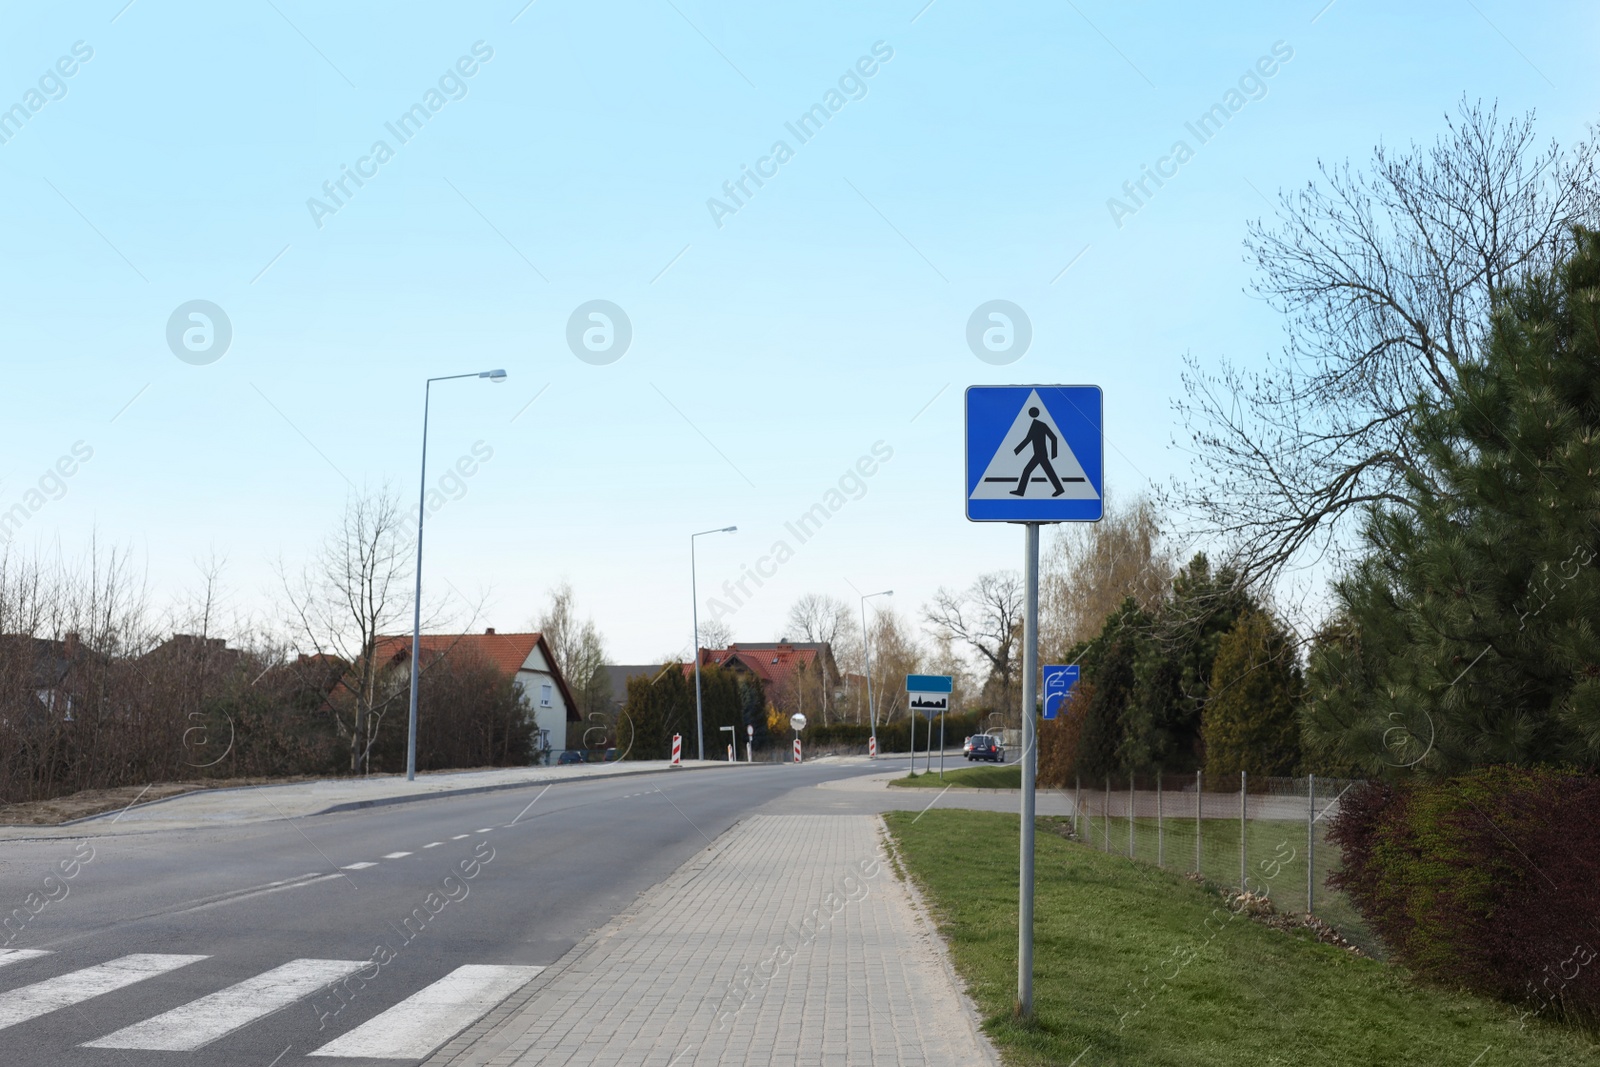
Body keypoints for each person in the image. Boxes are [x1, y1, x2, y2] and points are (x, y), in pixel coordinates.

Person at [1010, 407, 1065, 497]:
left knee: (1027, 470)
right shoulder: (1038, 425)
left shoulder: (1038, 425)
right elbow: (1028, 439)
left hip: (1041, 454)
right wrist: (1017, 450)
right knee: (1047, 471)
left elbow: (1053, 438)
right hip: (1039, 454)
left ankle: (1020, 491)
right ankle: (1059, 489)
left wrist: (1054, 454)